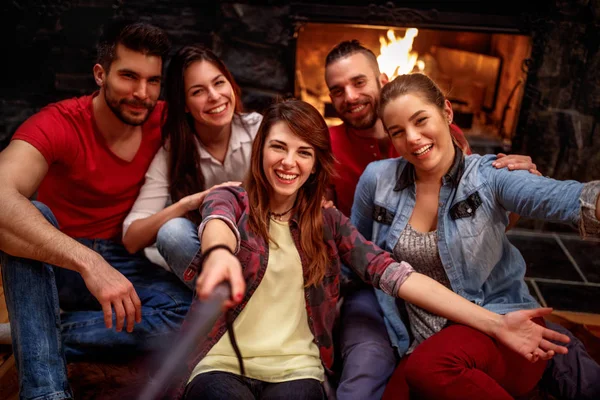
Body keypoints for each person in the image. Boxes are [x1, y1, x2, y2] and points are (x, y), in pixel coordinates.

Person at [171, 98, 569, 400]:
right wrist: (220, 254)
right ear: (259, 151)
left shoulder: (329, 224)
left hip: (297, 370)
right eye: (278, 147)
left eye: (303, 152)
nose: (288, 162)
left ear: (315, 164)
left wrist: (497, 324)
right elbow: (217, 226)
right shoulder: (231, 200)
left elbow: (400, 277)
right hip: (222, 358)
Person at [350, 72, 600, 399]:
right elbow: (356, 250)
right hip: (419, 341)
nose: (412, 138)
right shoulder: (377, 179)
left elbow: (566, 198)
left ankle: (553, 368)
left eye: (420, 120)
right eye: (398, 132)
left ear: (447, 112)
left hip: (500, 328)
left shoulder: (489, 176)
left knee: (431, 368)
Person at [323, 39, 540, 399]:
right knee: (368, 364)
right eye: (337, 90)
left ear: (383, 79)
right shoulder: (327, 146)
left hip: (447, 282)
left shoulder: (439, 139)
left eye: (359, 82)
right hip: (373, 281)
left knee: (546, 352)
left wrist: (518, 184)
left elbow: (476, 216)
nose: (349, 96)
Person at [0, 20, 192, 400]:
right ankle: (45, 392)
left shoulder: (167, 119)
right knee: (28, 213)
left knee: (189, 314)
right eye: (129, 77)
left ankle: (34, 334)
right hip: (57, 261)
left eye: (152, 81)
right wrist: (88, 262)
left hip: (126, 257)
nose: (142, 93)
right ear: (100, 74)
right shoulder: (57, 123)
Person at [122, 44, 262, 288]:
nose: (215, 96)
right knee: (172, 233)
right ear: (184, 104)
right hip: (205, 259)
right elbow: (132, 238)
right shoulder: (174, 151)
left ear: (231, 84)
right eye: (198, 91)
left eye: (219, 83)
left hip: (259, 248)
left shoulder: (259, 131)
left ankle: (236, 304)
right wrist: (191, 202)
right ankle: (233, 303)